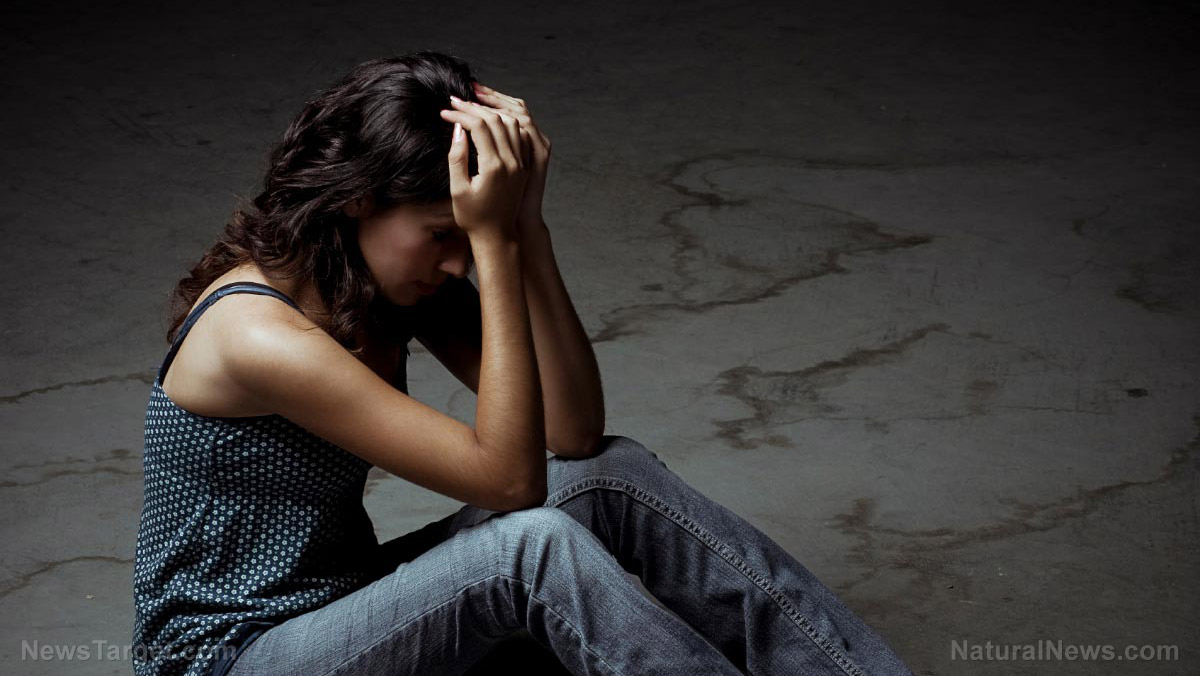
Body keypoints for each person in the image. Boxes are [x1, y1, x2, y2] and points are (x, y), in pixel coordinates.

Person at [131, 51, 916, 676]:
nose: (457, 263)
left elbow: (574, 435)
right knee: (529, 549)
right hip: (234, 656)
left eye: (467, 238)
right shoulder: (257, 335)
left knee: (610, 474)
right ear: (358, 200)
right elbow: (510, 485)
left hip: (342, 606)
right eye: (444, 235)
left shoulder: (377, 285)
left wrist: (526, 231)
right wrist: (495, 246)